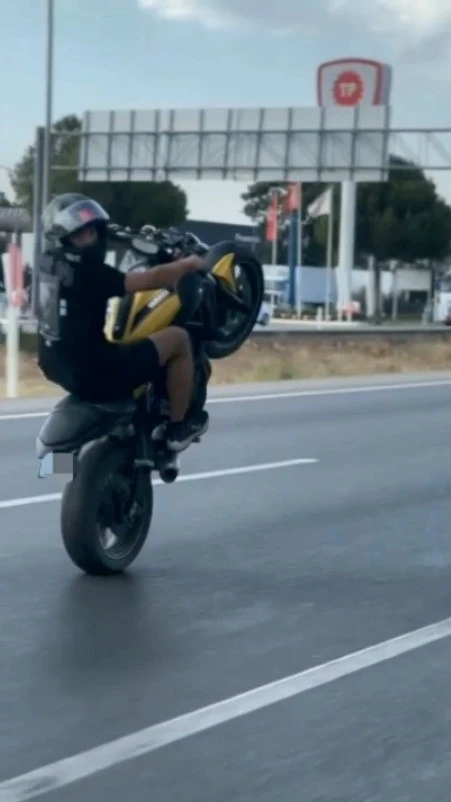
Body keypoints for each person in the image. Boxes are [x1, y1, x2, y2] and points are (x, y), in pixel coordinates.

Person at [37, 193, 209, 453]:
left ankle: (70, 472)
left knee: (110, 340)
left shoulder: (47, 263)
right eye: (80, 235)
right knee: (179, 339)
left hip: (56, 366)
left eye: (92, 231)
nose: (90, 239)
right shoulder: (92, 274)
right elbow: (149, 280)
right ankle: (179, 428)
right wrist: (188, 264)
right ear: (64, 239)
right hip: (98, 374)